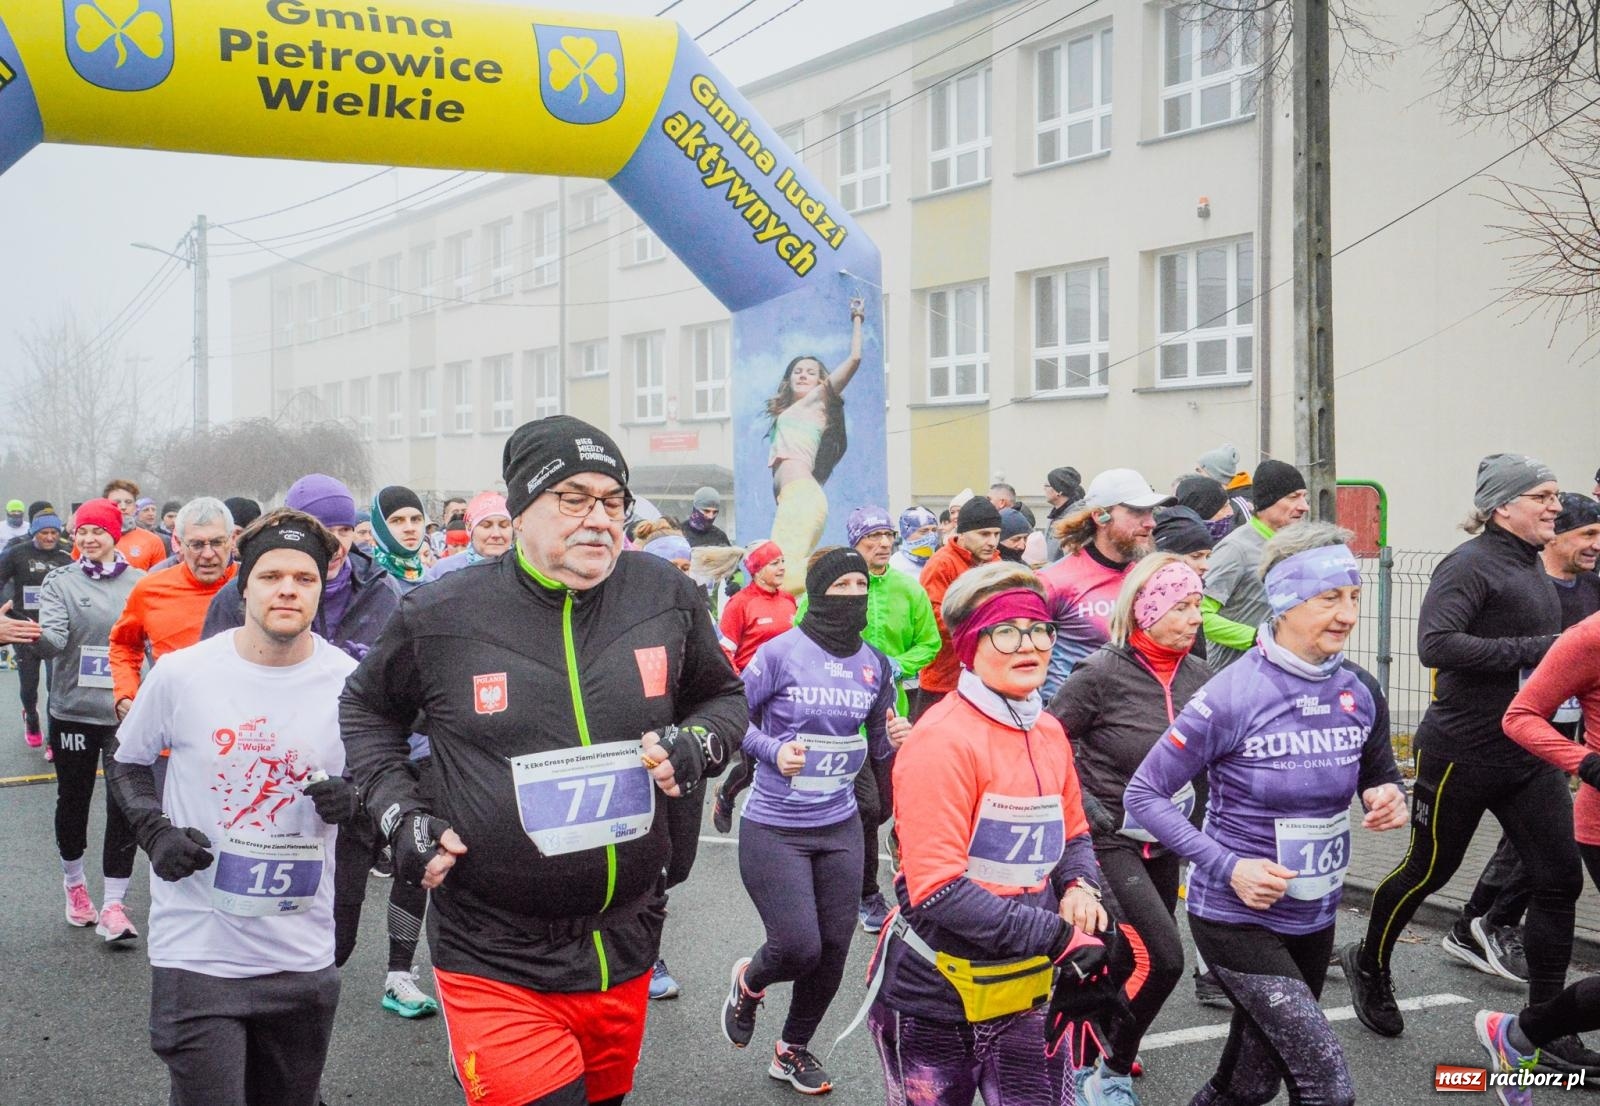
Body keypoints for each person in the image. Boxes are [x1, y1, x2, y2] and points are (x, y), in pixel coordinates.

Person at [341, 415, 748, 1106]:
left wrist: (699, 742)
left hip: (625, 941)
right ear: (520, 510)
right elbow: (366, 710)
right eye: (573, 498)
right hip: (492, 949)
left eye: (613, 501)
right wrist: (398, 811)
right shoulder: (442, 612)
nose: (599, 519)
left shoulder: (663, 594)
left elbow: (722, 696)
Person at [1126, 524, 1408, 1106]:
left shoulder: (1360, 689)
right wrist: (1229, 866)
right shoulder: (1232, 695)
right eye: (1328, 598)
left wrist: (1386, 795)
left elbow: (1378, 771)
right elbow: (1144, 795)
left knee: (1249, 1086)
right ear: (1285, 601)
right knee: (1327, 1087)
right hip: (1235, 918)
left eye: (1354, 597)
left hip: (1314, 913)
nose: (1348, 614)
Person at [1343, 455, 1594, 1071]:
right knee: (1429, 871)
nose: (1555, 506)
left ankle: (1544, 1028)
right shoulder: (1469, 563)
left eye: (1556, 496)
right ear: (1503, 506)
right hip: (1463, 750)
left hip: (1528, 755)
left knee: (1559, 879)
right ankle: (1368, 962)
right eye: (1542, 496)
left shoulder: (1531, 563)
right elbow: (1436, 644)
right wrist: (1542, 649)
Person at [107, 509, 357, 1106]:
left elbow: (382, 779)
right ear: (243, 586)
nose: (288, 589)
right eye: (271, 576)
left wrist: (357, 800)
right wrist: (155, 831)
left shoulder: (350, 682)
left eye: (304, 577)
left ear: (321, 588)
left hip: (299, 950)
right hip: (198, 947)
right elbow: (127, 760)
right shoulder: (183, 673)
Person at [867, 561, 1113, 1106]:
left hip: (1026, 984)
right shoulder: (942, 740)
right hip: (935, 995)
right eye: (1006, 631)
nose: (1029, 645)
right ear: (969, 645)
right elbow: (938, 890)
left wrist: (1080, 888)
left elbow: (1072, 833)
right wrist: (1059, 938)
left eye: (1040, 629)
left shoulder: (1047, 729)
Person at [720, 547, 907, 1095]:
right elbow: (732, 720)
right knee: (798, 946)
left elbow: (879, 743)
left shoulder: (876, 663)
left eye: (860, 585)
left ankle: (792, 1049)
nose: (853, 594)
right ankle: (749, 982)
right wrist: (772, 750)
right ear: (819, 591)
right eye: (841, 584)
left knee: (833, 951)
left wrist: (898, 738)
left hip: (839, 824)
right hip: (775, 824)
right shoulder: (780, 653)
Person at [1047, 555, 1212, 1101]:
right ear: (1147, 610)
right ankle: (1107, 1070)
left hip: (1165, 840)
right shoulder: (1099, 674)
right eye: (1182, 606)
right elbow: (1048, 744)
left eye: (1198, 605)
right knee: (1161, 958)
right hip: (1109, 839)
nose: (1195, 617)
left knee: (1121, 955)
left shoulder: (1200, 677)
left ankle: (1082, 1038)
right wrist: (1086, 805)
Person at [1444, 491, 1600, 985]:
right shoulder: (1528, 586)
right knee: (1536, 841)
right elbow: (1445, 645)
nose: (1597, 545)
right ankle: (1486, 923)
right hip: (1506, 728)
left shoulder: (1592, 587)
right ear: (1556, 536)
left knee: (1534, 841)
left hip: (1569, 730)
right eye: (1587, 534)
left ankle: (1478, 923)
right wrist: (1538, 649)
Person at [797, 506, 941, 932]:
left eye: (887, 535)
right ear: (854, 543)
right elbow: (799, 639)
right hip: (839, 720)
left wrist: (898, 664)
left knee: (883, 808)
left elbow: (929, 643)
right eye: (871, 537)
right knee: (866, 806)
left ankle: (836, 864)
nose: (882, 543)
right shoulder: (830, 585)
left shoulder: (907, 589)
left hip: (891, 717)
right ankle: (864, 894)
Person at [33, 498, 144, 937]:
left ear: (114, 535)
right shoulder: (60, 581)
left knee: (123, 805)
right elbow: (54, 641)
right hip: (73, 711)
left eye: (98, 531)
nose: (89, 538)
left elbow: (151, 643)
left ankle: (115, 904)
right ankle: (75, 885)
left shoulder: (141, 582)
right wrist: (31, 637)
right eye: (82, 531)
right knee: (74, 799)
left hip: (124, 712)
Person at [1040, 469, 1173, 701]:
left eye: (1151, 512)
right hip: (1073, 715)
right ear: (1099, 516)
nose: (1150, 522)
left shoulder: (1152, 578)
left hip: (1136, 711)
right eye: (1137, 512)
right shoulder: (1053, 580)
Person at [109, 498, 238, 724]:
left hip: (241, 725)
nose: (208, 554)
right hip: (171, 727)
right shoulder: (150, 588)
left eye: (217, 542)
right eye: (196, 545)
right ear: (178, 543)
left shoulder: (255, 585)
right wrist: (125, 692)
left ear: (232, 540)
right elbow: (123, 644)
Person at [766, 298, 865, 587]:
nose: (803, 375)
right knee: (779, 569)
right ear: (788, 380)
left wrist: (857, 317)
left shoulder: (817, 401)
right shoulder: (788, 412)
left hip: (802, 497)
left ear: (821, 382)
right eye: (797, 371)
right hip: (792, 498)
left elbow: (854, 359)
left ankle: (834, 589)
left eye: (811, 372)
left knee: (782, 574)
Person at [712, 540, 797, 835]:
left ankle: (783, 823)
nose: (782, 568)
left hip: (784, 696)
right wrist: (739, 685)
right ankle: (725, 795)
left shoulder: (789, 601)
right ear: (757, 570)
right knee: (752, 768)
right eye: (774, 563)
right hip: (752, 696)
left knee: (786, 760)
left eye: (783, 561)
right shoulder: (740, 604)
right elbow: (724, 652)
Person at [1200, 459, 1310, 670]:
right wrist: (1258, 638)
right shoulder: (1236, 548)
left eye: (1305, 497)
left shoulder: (1296, 546)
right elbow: (1199, 616)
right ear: (1267, 501)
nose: (1304, 506)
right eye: (1293, 497)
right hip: (1233, 676)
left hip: (1281, 673)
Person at [915, 497, 1002, 719]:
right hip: (943, 681)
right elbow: (933, 620)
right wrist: (983, 626)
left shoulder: (997, 564)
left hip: (986, 680)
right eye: (984, 534)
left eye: (996, 534)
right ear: (962, 533)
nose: (992, 542)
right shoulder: (941, 564)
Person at [0, 508, 73, 747]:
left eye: (54, 532)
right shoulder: (17, 553)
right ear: (34, 532)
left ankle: (53, 738)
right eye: (44, 533)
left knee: (55, 685)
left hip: (55, 627)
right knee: (29, 685)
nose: (50, 537)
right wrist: (6, 609)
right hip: (25, 625)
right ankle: (31, 716)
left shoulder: (66, 554)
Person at [426, 491, 513, 581]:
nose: (496, 534)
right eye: (486, 526)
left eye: (504, 525)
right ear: (469, 527)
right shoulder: (445, 569)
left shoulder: (521, 569)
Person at [367, 486, 429, 585]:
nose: (410, 528)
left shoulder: (432, 580)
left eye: (415, 519)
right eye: (397, 520)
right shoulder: (364, 581)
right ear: (379, 527)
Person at [104, 480, 169, 571]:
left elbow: (160, 577)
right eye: (117, 502)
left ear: (135, 507)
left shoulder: (153, 541)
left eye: (128, 502)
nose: (123, 507)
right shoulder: (92, 539)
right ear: (105, 506)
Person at [1171, 475, 1235, 544]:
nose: (1231, 512)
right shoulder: (1175, 543)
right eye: (1224, 507)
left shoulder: (1233, 532)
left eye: (1229, 504)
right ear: (1204, 512)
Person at [1043, 467, 1084, 563]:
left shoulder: (1075, 520)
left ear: (1059, 491)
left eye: (1047, 485)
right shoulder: (1055, 514)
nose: (1044, 488)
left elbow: (1072, 558)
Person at [888, 506, 939, 578]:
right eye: (924, 531)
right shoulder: (894, 566)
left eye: (934, 530)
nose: (932, 536)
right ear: (906, 534)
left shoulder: (940, 562)